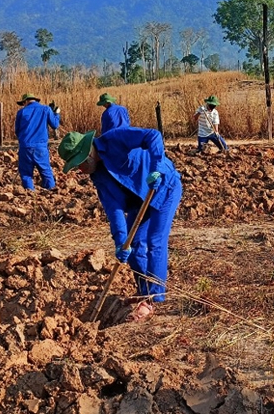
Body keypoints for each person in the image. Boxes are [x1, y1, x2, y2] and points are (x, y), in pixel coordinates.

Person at [58, 127, 182, 322]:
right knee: (131, 246)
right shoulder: (98, 177)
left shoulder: (114, 139)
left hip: (163, 188)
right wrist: (120, 240)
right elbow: (113, 209)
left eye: (80, 163)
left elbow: (153, 136)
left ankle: (153, 299)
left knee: (155, 241)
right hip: (138, 202)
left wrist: (157, 167)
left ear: (88, 151)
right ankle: (144, 291)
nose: (80, 170)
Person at [14, 93, 61, 190]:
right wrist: (56, 113)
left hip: (25, 147)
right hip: (41, 147)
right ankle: (51, 191)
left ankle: (30, 193)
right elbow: (55, 125)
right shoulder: (46, 109)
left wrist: (24, 140)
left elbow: (17, 130)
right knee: (46, 171)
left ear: (25, 101)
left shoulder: (21, 112)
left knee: (26, 174)